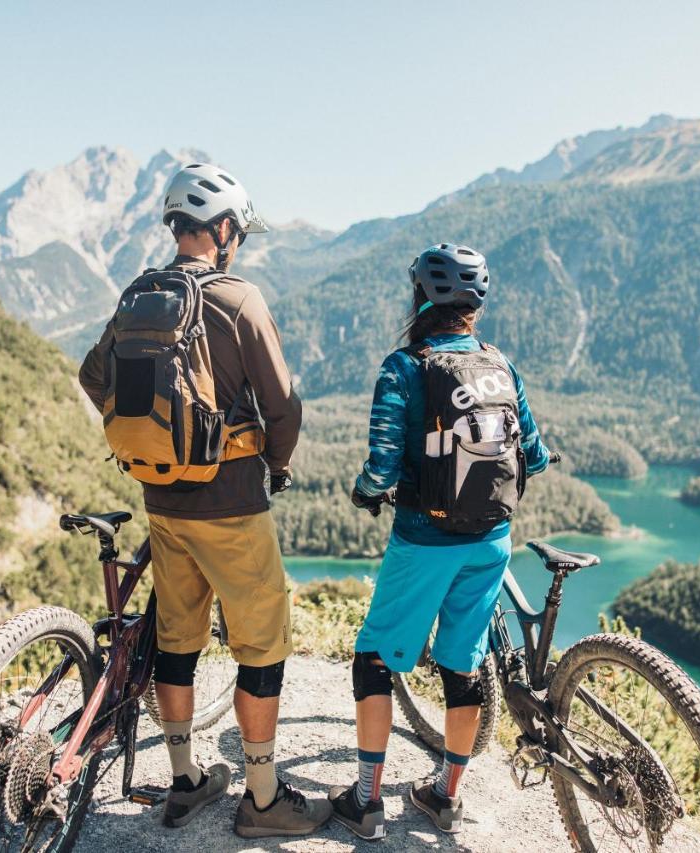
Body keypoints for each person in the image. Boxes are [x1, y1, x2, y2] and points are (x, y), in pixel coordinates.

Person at [78, 164, 330, 838]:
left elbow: (92, 374)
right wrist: (275, 466)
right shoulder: (237, 299)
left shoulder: (138, 296)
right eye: (237, 231)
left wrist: (143, 433)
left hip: (162, 503)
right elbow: (284, 406)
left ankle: (185, 780)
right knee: (261, 645)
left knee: (177, 641)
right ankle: (264, 798)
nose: (238, 242)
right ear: (221, 230)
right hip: (232, 505)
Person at [329, 243, 550, 839]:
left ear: (421, 296)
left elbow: (381, 465)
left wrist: (364, 491)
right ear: (475, 304)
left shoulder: (404, 367)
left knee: (373, 658)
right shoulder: (500, 365)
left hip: (426, 538)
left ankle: (367, 803)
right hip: (492, 538)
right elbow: (535, 453)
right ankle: (445, 797)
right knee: (463, 662)